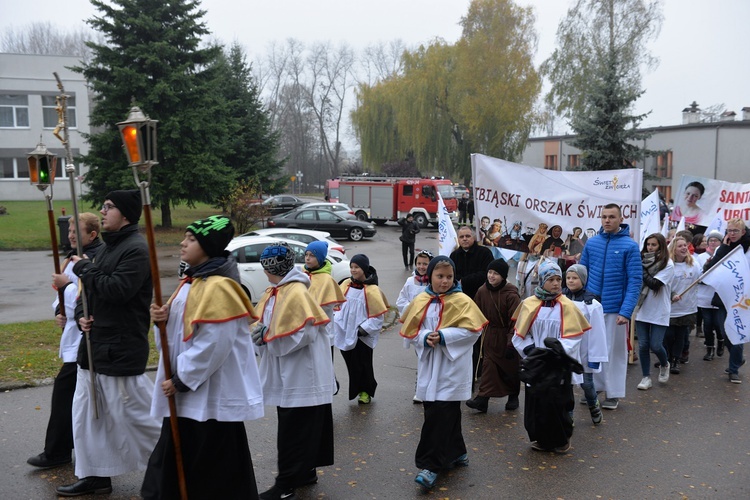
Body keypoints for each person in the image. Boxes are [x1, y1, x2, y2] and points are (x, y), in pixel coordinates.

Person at [141, 216, 263, 499]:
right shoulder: (192, 282)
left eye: (192, 239)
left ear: (208, 246)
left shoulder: (219, 287)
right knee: (178, 464)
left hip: (209, 398)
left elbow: (214, 345)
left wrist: (181, 379)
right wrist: (162, 319)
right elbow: (180, 335)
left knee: (213, 472)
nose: (183, 243)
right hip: (191, 397)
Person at [59, 190, 161, 497]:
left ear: (126, 214)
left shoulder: (136, 250)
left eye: (109, 207)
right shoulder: (105, 249)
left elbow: (117, 289)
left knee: (136, 415)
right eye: (103, 207)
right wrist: (81, 317)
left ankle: (179, 461)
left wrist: (83, 268)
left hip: (120, 349)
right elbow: (85, 295)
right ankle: (95, 476)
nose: (103, 212)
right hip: (93, 348)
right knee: (87, 418)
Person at [253, 242, 335, 500]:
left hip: (302, 372)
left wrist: (267, 337)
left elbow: (304, 333)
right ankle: (304, 472)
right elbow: (264, 324)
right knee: (298, 425)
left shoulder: (296, 292)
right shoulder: (277, 291)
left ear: (270, 268)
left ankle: (285, 485)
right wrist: (260, 335)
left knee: (293, 429)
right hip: (288, 370)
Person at [399, 256, 488, 490]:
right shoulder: (421, 299)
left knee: (439, 415)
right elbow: (411, 331)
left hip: (452, 367)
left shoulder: (462, 301)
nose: (445, 281)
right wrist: (423, 338)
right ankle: (457, 452)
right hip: (430, 365)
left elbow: (473, 332)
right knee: (440, 412)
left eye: (449, 277)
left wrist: (446, 337)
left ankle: (430, 465)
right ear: (430, 276)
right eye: (440, 276)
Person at [27, 213, 103, 470]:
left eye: (76, 231)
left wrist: (66, 284)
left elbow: (89, 292)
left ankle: (57, 451)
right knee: (71, 395)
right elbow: (64, 303)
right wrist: (59, 312)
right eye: (69, 231)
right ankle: (64, 447)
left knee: (64, 392)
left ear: (92, 235)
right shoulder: (71, 259)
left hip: (87, 339)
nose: (70, 235)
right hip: (73, 335)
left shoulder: (93, 258)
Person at [512, 260, 590, 453]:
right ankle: (542, 438)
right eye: (551, 279)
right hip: (537, 364)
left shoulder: (568, 306)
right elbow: (520, 334)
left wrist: (556, 350)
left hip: (557, 364)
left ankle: (561, 439)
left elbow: (573, 337)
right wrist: (530, 350)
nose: (556, 283)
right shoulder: (529, 304)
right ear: (541, 281)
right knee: (536, 403)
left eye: (558, 279)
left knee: (557, 403)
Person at [579, 203, 642, 410]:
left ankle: (614, 393)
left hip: (616, 308)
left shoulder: (630, 246)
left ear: (620, 219)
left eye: (612, 217)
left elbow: (635, 281)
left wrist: (626, 311)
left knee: (615, 352)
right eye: (604, 216)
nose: (607, 220)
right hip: (592, 306)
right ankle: (595, 387)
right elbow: (583, 272)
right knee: (592, 349)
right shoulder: (592, 243)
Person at [466, 259, 522, 413]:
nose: (491, 276)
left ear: (503, 276)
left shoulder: (511, 295)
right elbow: (475, 312)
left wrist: (511, 342)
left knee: (509, 368)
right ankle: (483, 399)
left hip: (507, 335)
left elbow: (516, 320)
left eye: (496, 274)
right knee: (489, 366)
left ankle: (513, 396)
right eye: (490, 272)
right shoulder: (482, 291)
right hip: (490, 335)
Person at [333, 254, 389, 404]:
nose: (353, 270)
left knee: (363, 364)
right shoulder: (345, 284)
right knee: (352, 364)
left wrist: (362, 330)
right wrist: (337, 320)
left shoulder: (372, 290)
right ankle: (358, 389)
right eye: (351, 267)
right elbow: (338, 305)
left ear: (364, 268)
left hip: (362, 335)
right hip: (345, 332)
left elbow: (378, 316)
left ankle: (366, 391)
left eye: (356, 267)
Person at [704, 218, 749, 383]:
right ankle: (737, 358)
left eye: (735, 231)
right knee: (724, 331)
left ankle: (733, 369)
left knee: (736, 330)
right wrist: (723, 247)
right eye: (729, 230)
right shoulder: (722, 248)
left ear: (743, 232)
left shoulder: (748, 249)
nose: (732, 233)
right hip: (724, 297)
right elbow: (711, 269)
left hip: (743, 298)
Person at [562, 264, 607, 425]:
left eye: (575, 278)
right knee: (566, 385)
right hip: (566, 348)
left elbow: (598, 331)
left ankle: (593, 405)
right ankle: (568, 414)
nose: (571, 281)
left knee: (586, 384)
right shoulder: (560, 299)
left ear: (583, 280)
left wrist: (596, 356)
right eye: (568, 278)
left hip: (584, 349)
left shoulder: (592, 304)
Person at [450, 226, 494, 386]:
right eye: (461, 237)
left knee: (478, 341)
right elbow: (452, 275)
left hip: (480, 302)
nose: (465, 239)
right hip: (460, 304)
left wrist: (464, 281)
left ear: (474, 237)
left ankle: (476, 373)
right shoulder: (454, 255)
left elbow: (486, 274)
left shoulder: (484, 253)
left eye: (468, 236)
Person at [304, 240, 346, 394]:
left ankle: (329, 386)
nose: (307, 258)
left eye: (312, 256)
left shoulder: (326, 280)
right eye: (306, 255)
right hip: (306, 331)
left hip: (323, 332)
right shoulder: (304, 275)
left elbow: (325, 306)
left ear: (320, 259)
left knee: (324, 365)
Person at [634, 233, 674, 390]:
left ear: (661, 246)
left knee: (656, 345)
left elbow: (655, 283)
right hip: (642, 308)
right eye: (648, 245)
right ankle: (646, 377)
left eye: (653, 245)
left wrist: (640, 270)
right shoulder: (641, 261)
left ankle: (665, 364)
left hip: (659, 310)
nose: (649, 248)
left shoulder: (668, 264)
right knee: (643, 345)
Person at [396, 250, 433, 403]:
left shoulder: (433, 281)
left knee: (431, 357)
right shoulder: (411, 282)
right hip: (416, 324)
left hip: (431, 323)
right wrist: (411, 309)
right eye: (419, 263)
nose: (422, 267)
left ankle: (431, 387)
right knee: (421, 356)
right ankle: (421, 389)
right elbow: (401, 300)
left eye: (425, 264)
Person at [664, 236, 702, 374]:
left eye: (685, 245)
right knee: (668, 335)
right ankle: (667, 357)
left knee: (681, 335)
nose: (684, 248)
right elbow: (663, 285)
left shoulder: (694, 264)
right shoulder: (668, 264)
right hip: (670, 308)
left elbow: (702, 277)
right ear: (674, 249)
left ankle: (675, 360)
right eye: (680, 246)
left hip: (687, 308)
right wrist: (671, 295)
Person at [695, 231, 725, 360]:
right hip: (705, 296)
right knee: (707, 324)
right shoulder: (701, 257)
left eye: (716, 240)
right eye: (711, 240)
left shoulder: (725, 256)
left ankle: (721, 341)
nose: (713, 243)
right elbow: (698, 275)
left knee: (718, 324)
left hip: (719, 297)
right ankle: (710, 349)